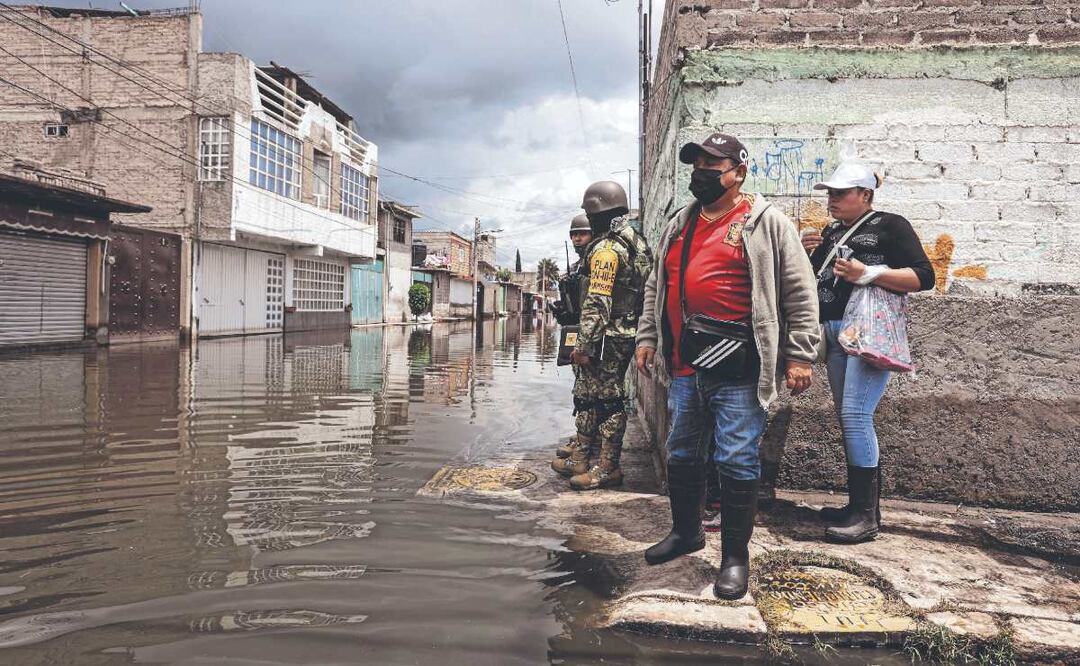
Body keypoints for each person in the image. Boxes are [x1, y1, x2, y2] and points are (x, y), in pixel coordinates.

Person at [635, 132, 819, 600]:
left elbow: (800, 291)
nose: (700, 174)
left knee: (736, 457)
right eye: (696, 166)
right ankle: (686, 532)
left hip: (740, 368)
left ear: (738, 172)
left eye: (711, 167)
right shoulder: (680, 223)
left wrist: (800, 353)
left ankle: (735, 558)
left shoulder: (767, 223)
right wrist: (648, 336)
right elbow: (657, 284)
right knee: (682, 452)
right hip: (685, 365)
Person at [802, 162, 935, 544]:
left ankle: (866, 517)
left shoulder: (891, 225)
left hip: (867, 333)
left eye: (841, 193)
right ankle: (859, 507)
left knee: (856, 415)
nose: (832, 199)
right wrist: (809, 253)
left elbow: (924, 277)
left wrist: (870, 273)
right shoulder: (833, 231)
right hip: (835, 335)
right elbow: (822, 279)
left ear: (865, 194)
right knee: (849, 419)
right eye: (830, 193)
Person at [559, 181, 652, 491]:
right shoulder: (636, 242)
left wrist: (583, 345)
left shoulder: (607, 249)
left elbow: (598, 301)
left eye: (590, 214)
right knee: (596, 396)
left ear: (599, 213)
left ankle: (607, 467)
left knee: (605, 400)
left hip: (606, 337)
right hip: (625, 332)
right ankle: (583, 458)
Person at [551, 214, 594, 466]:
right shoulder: (576, 268)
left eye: (582, 233)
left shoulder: (597, 262)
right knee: (582, 391)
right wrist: (563, 312)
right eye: (574, 234)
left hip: (595, 336)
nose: (577, 239)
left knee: (594, 394)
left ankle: (589, 444)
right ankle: (583, 437)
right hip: (577, 332)